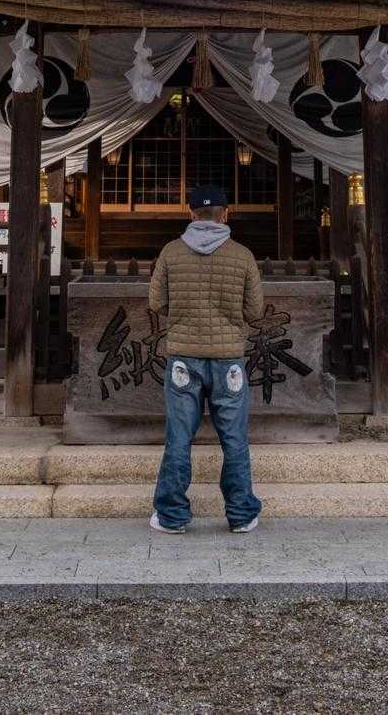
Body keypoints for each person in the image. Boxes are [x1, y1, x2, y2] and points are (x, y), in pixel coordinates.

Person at [148, 183, 264, 533]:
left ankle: (172, 516)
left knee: (179, 437)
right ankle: (241, 515)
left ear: (191, 214)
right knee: (234, 439)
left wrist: (182, 318)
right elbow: (255, 311)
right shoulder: (242, 255)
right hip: (228, 359)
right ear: (225, 214)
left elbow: (156, 302)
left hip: (183, 356)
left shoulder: (171, 252)